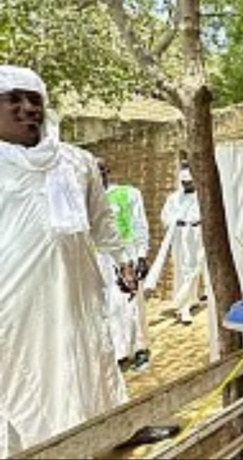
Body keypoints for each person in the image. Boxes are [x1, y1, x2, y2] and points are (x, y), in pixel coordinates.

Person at [0, 65, 134, 457]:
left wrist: (124, 261)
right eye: (14, 99)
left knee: (87, 367)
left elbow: (102, 222)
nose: (28, 108)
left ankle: (102, 442)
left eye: (35, 99)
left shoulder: (77, 162)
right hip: (15, 307)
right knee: (26, 390)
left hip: (78, 295)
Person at [97, 159, 152, 371]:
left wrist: (141, 255)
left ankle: (140, 349)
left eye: (101, 170)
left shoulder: (128, 193)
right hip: (101, 259)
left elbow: (139, 224)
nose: (98, 175)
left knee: (130, 304)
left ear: (107, 172)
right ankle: (119, 352)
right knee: (110, 306)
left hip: (126, 256)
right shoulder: (87, 199)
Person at [159, 163, 207, 325]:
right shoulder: (173, 199)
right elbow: (165, 217)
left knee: (195, 268)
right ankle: (183, 308)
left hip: (197, 234)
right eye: (184, 182)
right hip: (181, 237)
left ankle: (192, 299)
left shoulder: (201, 196)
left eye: (189, 182)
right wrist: (176, 221)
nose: (187, 185)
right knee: (183, 269)